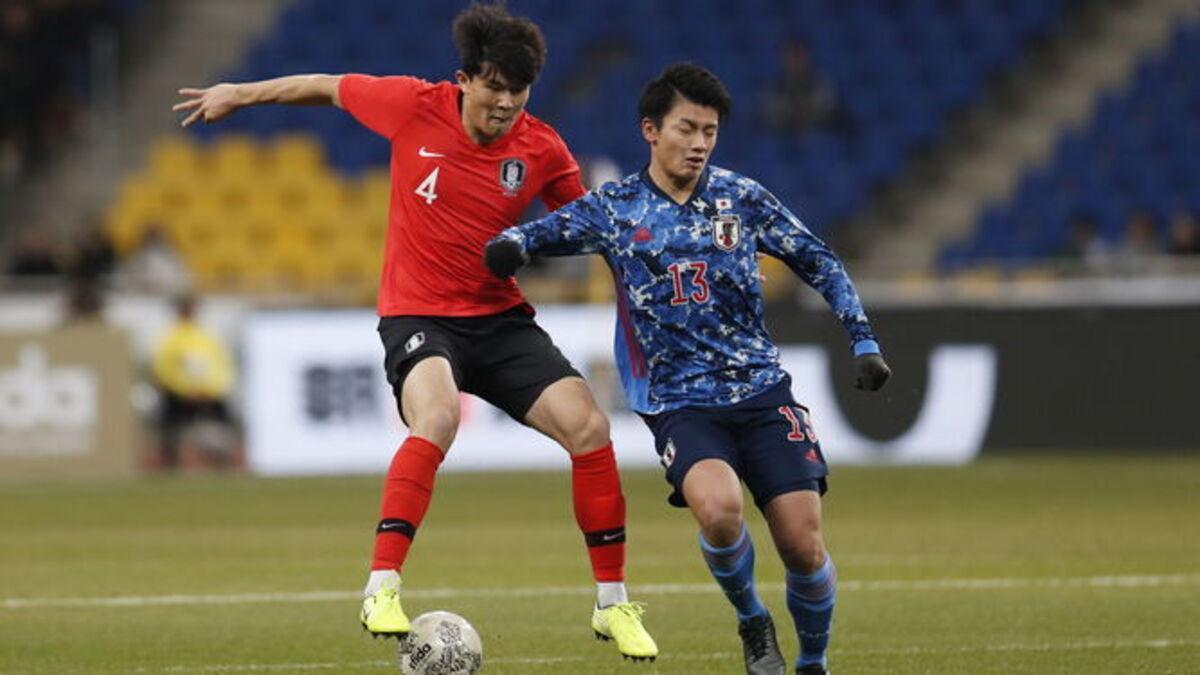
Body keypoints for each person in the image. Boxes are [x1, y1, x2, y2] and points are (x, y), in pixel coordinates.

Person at [171, 2, 657, 660]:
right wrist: (240, 93)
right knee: (437, 416)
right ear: (464, 79)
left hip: (499, 320)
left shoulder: (541, 147)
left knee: (590, 427)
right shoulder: (411, 105)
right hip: (419, 314)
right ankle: (381, 585)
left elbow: (583, 226)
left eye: (518, 91)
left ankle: (612, 603)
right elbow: (327, 85)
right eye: (494, 87)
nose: (506, 103)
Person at [485, 63, 891, 675]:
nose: (700, 143)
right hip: (680, 403)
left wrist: (863, 340)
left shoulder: (741, 199)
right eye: (687, 128)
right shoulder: (617, 207)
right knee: (720, 510)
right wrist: (513, 245)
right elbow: (543, 232)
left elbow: (820, 261)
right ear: (651, 129)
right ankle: (753, 619)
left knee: (803, 547)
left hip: (760, 392)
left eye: (710, 131)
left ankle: (813, 662)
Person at [151, 294, 236, 470]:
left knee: (225, 422)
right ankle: (170, 463)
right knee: (169, 425)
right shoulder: (170, 338)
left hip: (208, 393)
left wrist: (209, 389)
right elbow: (164, 370)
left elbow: (221, 366)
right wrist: (185, 389)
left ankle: (223, 461)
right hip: (179, 395)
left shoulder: (206, 337)